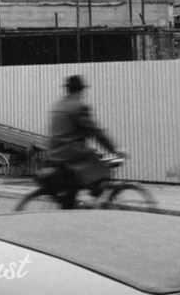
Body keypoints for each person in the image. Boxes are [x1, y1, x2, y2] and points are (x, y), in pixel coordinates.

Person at [46, 75, 124, 208]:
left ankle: (74, 206)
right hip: (72, 155)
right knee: (100, 170)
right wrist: (114, 149)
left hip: (54, 155)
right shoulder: (78, 107)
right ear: (80, 90)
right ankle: (96, 198)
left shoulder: (57, 106)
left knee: (72, 191)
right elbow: (96, 131)